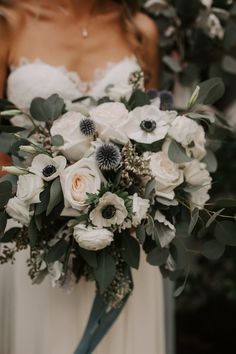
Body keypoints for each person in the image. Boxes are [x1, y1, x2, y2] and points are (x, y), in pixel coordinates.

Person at [0, 1, 166, 353]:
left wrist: (130, 204)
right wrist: (49, 213)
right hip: (35, 243)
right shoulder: (9, 21)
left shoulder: (139, 29)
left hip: (126, 242)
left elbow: (156, 137)